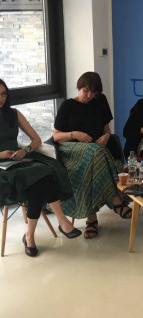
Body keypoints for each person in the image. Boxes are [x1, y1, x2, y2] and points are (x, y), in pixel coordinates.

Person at [0, 79, 81, 257]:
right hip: (2, 167)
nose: (1, 98)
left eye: (4, 94)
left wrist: (25, 150)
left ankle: (30, 235)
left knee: (44, 172)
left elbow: (36, 140)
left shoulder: (14, 114)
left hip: (17, 160)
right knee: (40, 177)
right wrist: (2, 155)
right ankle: (60, 222)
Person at [53, 72, 132, 239]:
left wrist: (107, 136)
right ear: (79, 87)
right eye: (85, 91)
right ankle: (116, 202)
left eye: (93, 92)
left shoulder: (100, 101)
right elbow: (56, 136)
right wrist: (75, 134)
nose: (89, 95)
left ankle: (92, 220)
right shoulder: (67, 106)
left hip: (96, 153)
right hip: (72, 151)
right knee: (95, 152)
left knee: (94, 156)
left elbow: (106, 129)